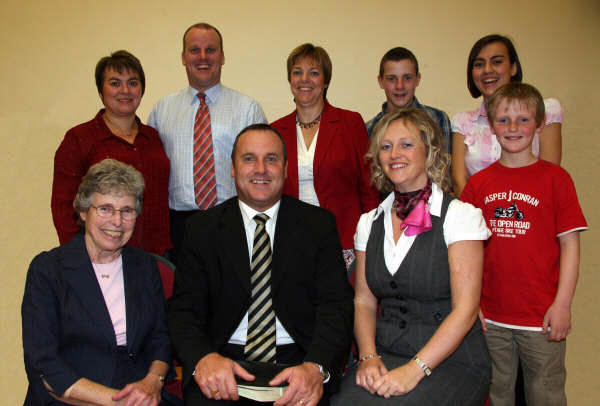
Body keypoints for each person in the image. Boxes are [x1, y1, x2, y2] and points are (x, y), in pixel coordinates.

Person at [168, 124, 354, 406]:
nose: (260, 169)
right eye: (248, 158)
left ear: (286, 168)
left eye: (271, 159)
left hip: (299, 363)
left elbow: (336, 307)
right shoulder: (201, 229)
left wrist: (316, 367)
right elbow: (184, 311)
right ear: (232, 168)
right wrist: (204, 358)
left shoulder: (318, 225)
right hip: (222, 363)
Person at [332, 109, 491, 405]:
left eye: (406, 144)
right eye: (386, 146)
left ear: (429, 151)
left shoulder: (460, 217)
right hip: (387, 354)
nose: (394, 154)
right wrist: (367, 357)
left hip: (452, 360)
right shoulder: (369, 222)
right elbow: (364, 301)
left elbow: (466, 311)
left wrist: (415, 370)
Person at [461, 83, 587, 406]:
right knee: (493, 395)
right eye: (503, 120)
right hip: (491, 319)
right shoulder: (478, 184)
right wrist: (470, 304)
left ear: (541, 124)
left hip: (542, 318)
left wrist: (562, 305)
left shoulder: (557, 180)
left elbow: (570, 247)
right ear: (491, 126)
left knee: (546, 394)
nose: (512, 128)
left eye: (523, 120)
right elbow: (465, 251)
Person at [23, 159, 171, 406]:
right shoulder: (48, 269)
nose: (117, 221)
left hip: (139, 395)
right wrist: (116, 402)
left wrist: (153, 381)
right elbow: (43, 362)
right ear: (83, 211)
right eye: (105, 209)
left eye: (127, 211)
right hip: (72, 396)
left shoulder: (144, 266)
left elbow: (160, 339)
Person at [148, 22, 267, 265]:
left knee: (233, 298)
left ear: (222, 57)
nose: (203, 57)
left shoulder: (247, 109)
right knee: (185, 298)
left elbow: (263, 173)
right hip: (179, 228)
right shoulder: (162, 110)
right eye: (194, 50)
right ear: (183, 57)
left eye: (210, 50)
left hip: (234, 221)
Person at [271, 43, 379, 270]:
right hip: (292, 239)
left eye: (314, 73)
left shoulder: (350, 123)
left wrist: (372, 237)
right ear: (290, 79)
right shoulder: (276, 130)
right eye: (297, 72)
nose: (304, 80)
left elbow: (368, 187)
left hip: (343, 239)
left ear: (326, 81)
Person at [52, 50, 171, 256]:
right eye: (115, 83)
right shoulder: (79, 139)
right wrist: (78, 254)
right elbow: (63, 207)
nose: (125, 90)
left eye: (133, 82)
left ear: (141, 90)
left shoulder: (154, 138)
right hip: (101, 256)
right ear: (100, 91)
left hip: (157, 255)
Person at [452, 34, 563, 196]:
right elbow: (459, 181)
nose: (487, 70)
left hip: (532, 211)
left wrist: (514, 217)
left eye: (497, 62)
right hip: (477, 214)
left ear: (513, 67)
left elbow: (549, 175)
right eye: (479, 64)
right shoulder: (462, 121)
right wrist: (478, 219)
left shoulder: (546, 110)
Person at [365, 47, 452, 154]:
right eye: (391, 79)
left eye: (407, 78)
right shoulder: (369, 129)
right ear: (380, 81)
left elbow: (445, 166)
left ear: (417, 79)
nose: (399, 86)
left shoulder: (438, 119)